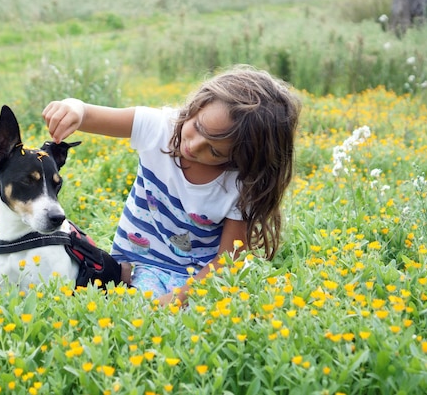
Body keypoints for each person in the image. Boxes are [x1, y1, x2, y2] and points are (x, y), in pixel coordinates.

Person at [42, 65, 301, 306]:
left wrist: (179, 298)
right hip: (138, 265)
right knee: (131, 310)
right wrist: (73, 108)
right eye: (197, 127)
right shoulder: (159, 128)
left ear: (241, 159)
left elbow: (226, 261)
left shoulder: (243, 184)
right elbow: (89, 114)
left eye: (214, 151)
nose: (193, 145)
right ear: (198, 105)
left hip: (201, 278)